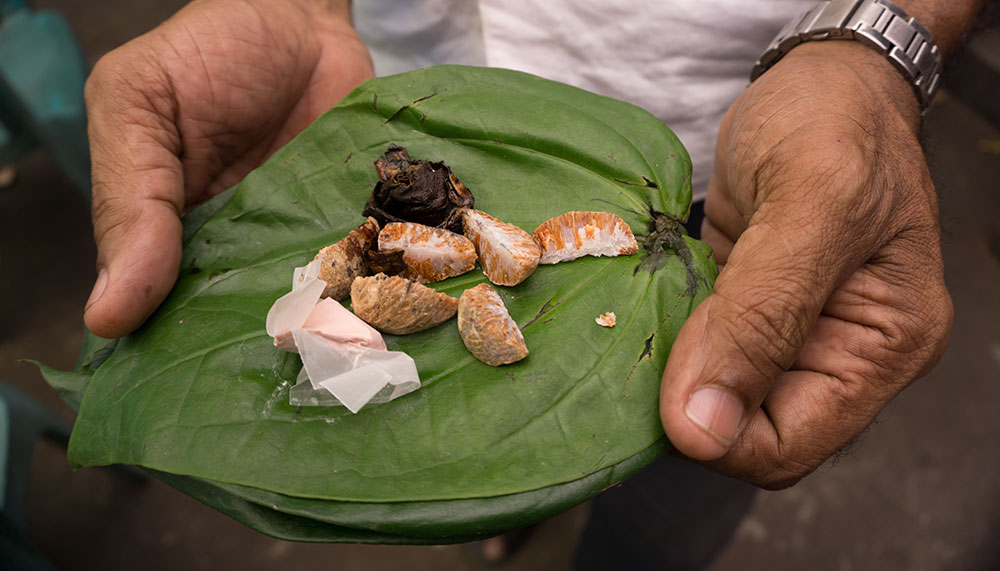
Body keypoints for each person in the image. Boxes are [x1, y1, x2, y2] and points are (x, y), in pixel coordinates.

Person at [79, 0, 982, 567]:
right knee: (455, 458)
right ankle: (498, 511)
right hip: (403, 78)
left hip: (759, 167)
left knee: (691, 466)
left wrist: (881, 48)